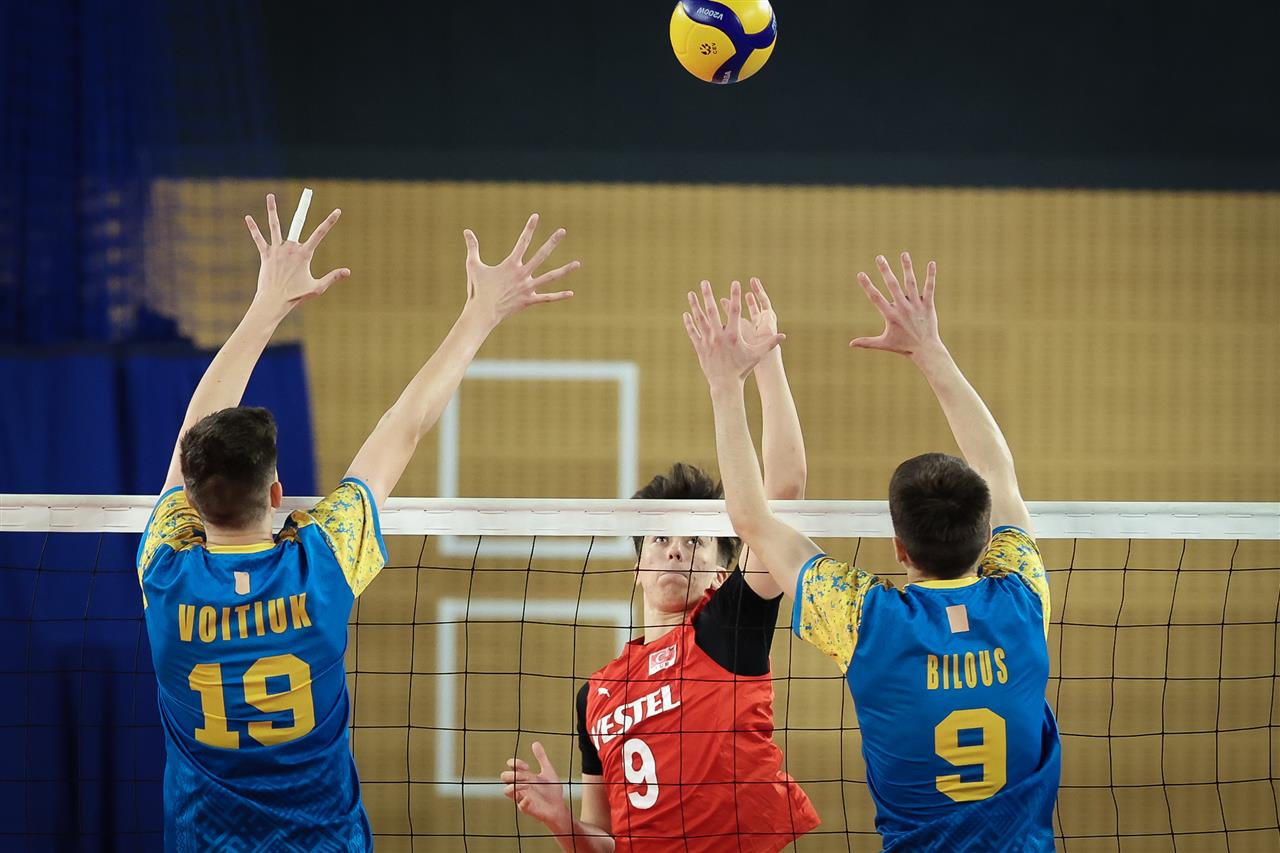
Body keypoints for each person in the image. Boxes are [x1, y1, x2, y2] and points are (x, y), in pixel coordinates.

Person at [136, 194, 579, 851]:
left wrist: (265, 306)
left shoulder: (164, 571)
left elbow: (190, 439)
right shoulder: (322, 562)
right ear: (278, 493)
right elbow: (405, 426)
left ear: (192, 500)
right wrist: (481, 312)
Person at [682, 257, 1060, 852]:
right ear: (987, 535)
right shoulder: (1023, 597)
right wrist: (930, 349)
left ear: (899, 546)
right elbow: (998, 471)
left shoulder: (865, 619)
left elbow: (751, 517)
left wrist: (725, 385)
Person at [501, 279, 820, 852]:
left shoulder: (728, 629)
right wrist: (561, 821)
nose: (675, 549)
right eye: (660, 538)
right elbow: (601, 840)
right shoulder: (595, 695)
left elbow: (784, 494)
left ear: (721, 572)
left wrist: (765, 363)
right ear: (638, 566)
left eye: (696, 541)